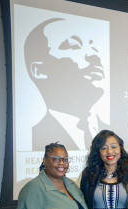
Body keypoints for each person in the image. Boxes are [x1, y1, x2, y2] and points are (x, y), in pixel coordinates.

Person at [25, 18, 107, 151]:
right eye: (74, 46)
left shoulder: (109, 132)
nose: (93, 55)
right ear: (39, 70)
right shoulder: (33, 136)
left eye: (92, 46)